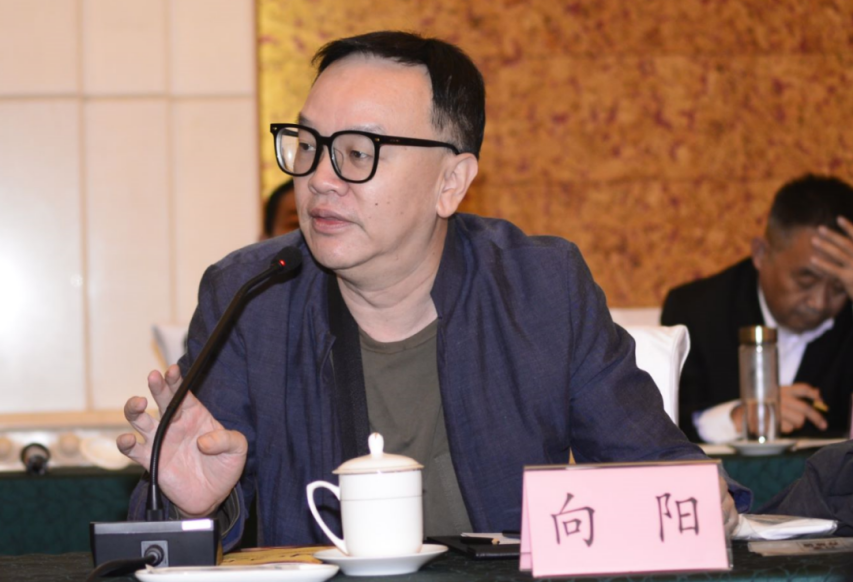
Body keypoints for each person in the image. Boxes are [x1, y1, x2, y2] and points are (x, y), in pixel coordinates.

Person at [119, 31, 746, 550]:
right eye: (308, 145)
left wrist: (698, 498)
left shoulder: (540, 288)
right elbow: (166, 538)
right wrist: (191, 507)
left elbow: (661, 472)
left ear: (452, 182)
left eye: (358, 152)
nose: (320, 179)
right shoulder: (252, 296)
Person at [662, 174, 853, 443]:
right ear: (761, 254)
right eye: (806, 280)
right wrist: (737, 418)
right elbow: (665, 425)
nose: (819, 302)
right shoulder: (695, 312)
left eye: (838, 287)